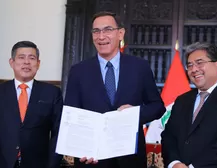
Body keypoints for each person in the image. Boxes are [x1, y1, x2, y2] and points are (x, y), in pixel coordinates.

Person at [64, 11, 166, 168]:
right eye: (96, 31)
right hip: (92, 158)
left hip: (130, 158)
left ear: (120, 33)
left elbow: (157, 107)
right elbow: (71, 114)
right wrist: (82, 148)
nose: (101, 36)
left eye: (107, 30)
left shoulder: (140, 67)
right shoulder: (78, 71)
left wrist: (134, 114)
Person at [0, 41, 63, 168]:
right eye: (21, 57)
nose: (26, 62)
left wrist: (53, 164)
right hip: (1, 162)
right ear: (12, 62)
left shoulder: (52, 93)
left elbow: (58, 132)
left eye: (32, 58)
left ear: (38, 63)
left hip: (38, 163)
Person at [161, 42, 217, 168]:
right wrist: (174, 163)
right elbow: (168, 136)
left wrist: (193, 167)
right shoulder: (182, 100)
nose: (194, 69)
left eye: (200, 63)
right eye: (189, 65)